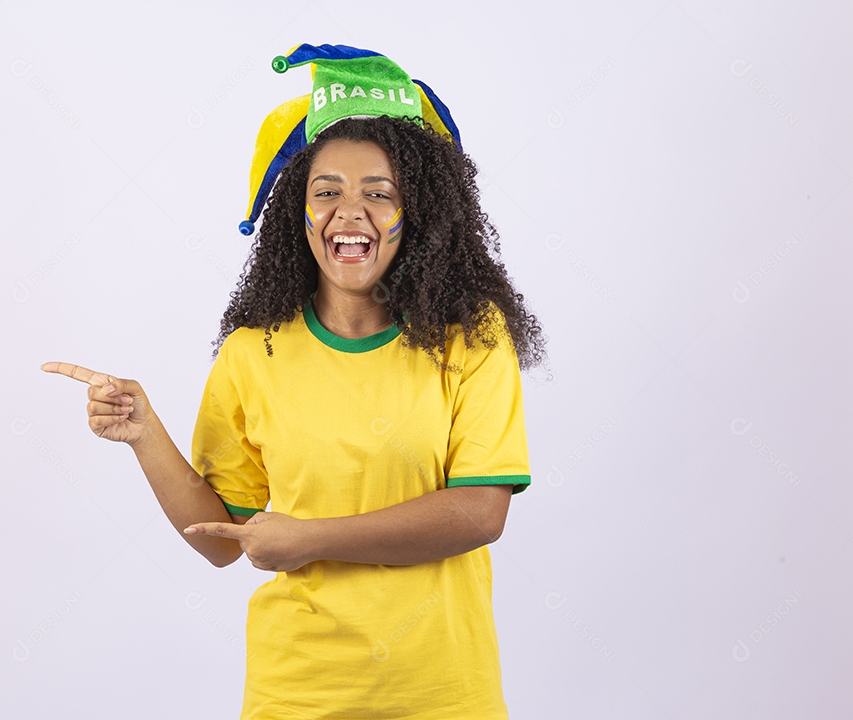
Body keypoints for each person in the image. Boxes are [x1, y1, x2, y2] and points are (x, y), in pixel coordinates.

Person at [42, 43, 546, 719]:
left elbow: (480, 513)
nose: (350, 211)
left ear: (417, 214)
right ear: (297, 214)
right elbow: (225, 537)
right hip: (296, 695)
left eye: (379, 193)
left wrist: (311, 539)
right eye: (327, 192)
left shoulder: (472, 337)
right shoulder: (254, 355)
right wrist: (145, 433)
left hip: (444, 695)